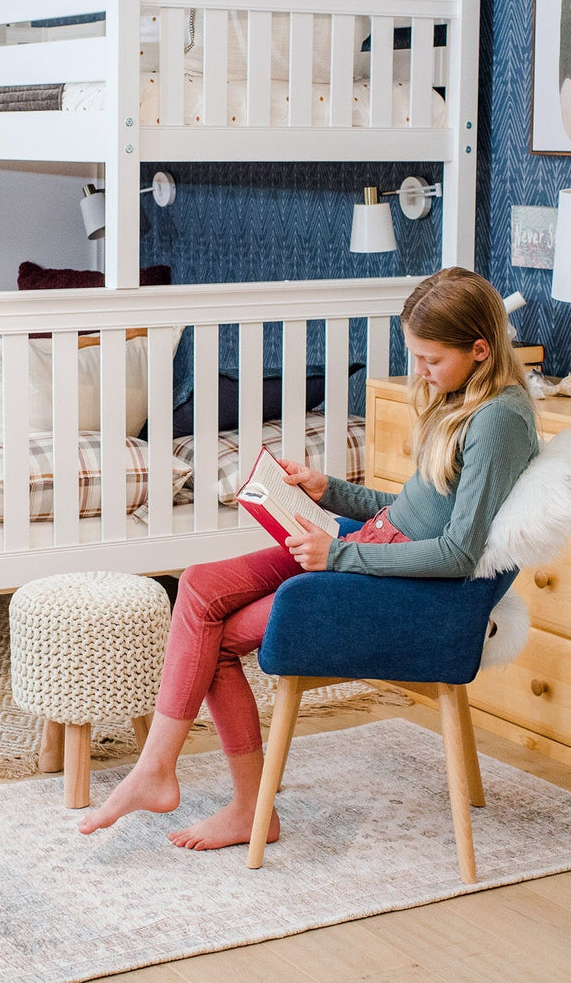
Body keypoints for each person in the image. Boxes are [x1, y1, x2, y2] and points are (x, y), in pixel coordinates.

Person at [79, 267, 537, 850]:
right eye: (415, 356)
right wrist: (331, 491)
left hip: (397, 582)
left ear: (480, 348)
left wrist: (338, 553)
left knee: (215, 638)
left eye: (430, 360)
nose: (419, 373)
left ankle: (237, 804)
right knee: (197, 584)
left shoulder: (497, 420)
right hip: (372, 544)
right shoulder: (465, 399)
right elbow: (415, 510)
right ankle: (159, 771)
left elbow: (456, 552)